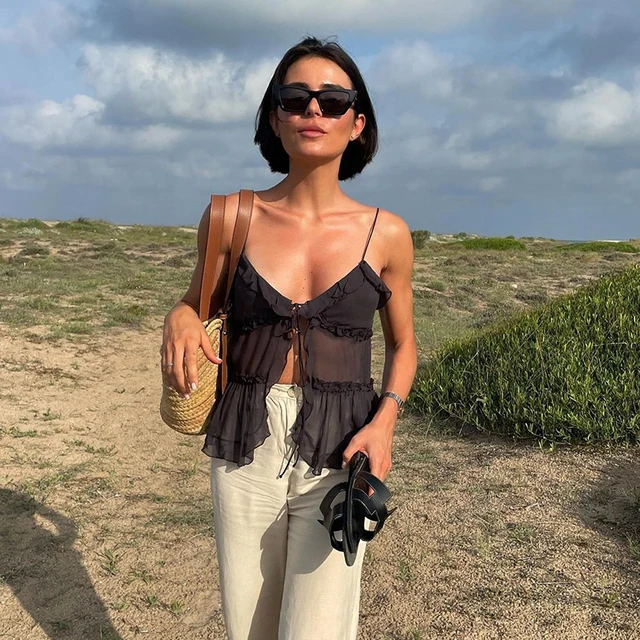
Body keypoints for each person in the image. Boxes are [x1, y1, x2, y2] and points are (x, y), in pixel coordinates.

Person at [161, 36, 417, 640]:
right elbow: (195, 303)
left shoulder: (387, 234)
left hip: (342, 442)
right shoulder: (230, 216)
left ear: (358, 123)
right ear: (274, 117)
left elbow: (403, 345)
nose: (314, 111)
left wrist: (384, 423)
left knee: (317, 628)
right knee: (249, 624)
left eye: (333, 100)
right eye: (295, 98)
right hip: (245, 434)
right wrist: (179, 316)